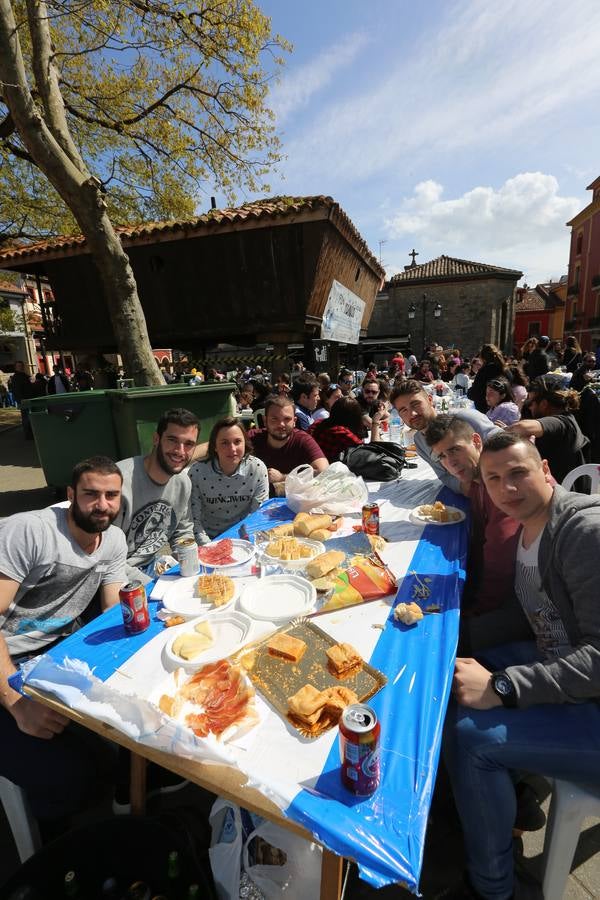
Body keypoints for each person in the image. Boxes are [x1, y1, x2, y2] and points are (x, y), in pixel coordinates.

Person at [439, 432, 600, 900]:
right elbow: (530, 613)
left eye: (518, 473)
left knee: (471, 741)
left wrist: (504, 687)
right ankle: (509, 796)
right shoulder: (532, 527)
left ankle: (494, 887)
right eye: (494, 479)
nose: (507, 488)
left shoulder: (583, 533)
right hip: (559, 664)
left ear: (545, 469)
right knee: (458, 674)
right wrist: (456, 636)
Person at [0, 456, 127, 831]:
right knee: (63, 777)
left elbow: (112, 610)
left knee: (115, 750)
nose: (102, 505)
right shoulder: (30, 532)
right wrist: (16, 703)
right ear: (71, 494)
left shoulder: (113, 540)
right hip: (6, 663)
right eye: (90, 494)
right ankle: (57, 858)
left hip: (47, 658)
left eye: (111, 495)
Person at [424, 416, 520, 616]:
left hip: (521, 601)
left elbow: (500, 563)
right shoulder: (477, 483)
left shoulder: (500, 485)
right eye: (441, 456)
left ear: (476, 442)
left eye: (454, 449)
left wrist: (474, 610)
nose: (450, 462)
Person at [116, 408, 198, 582]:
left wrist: (193, 567)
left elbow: (182, 532)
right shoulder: (118, 483)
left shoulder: (183, 483)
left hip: (152, 567)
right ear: (156, 439)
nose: (180, 451)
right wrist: (153, 586)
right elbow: (104, 558)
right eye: (172, 440)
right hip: (115, 577)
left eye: (188, 444)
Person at [391, 380, 499, 493]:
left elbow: (508, 446)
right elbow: (446, 477)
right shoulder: (419, 442)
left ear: (430, 400)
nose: (412, 414)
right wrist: (474, 492)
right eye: (404, 410)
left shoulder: (465, 418)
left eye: (416, 404)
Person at [188, 417, 268, 543]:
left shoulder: (257, 469)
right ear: (214, 446)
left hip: (244, 537)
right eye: (224, 443)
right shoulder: (197, 473)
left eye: (237, 442)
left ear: (244, 443)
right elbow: (193, 521)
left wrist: (247, 542)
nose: (232, 449)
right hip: (209, 538)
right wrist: (210, 547)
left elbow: (258, 515)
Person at [507, 375, 589, 484]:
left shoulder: (561, 423)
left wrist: (501, 431)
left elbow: (521, 427)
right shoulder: (567, 420)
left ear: (544, 404)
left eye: (530, 403)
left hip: (562, 493)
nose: (529, 407)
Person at [247, 395, 328, 493]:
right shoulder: (251, 438)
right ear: (265, 420)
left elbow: (323, 471)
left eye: (287, 419)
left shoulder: (303, 440)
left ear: (294, 421)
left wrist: (283, 477)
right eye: (274, 419)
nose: (281, 424)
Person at [309, 397, 384, 463]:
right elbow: (371, 452)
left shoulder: (319, 422)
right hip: (327, 469)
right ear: (354, 417)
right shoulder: (340, 432)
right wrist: (375, 422)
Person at [467, 344, 505, 413]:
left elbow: (475, 393)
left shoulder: (485, 370)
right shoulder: (504, 368)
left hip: (486, 410)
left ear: (482, 358)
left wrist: (469, 392)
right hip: (502, 408)